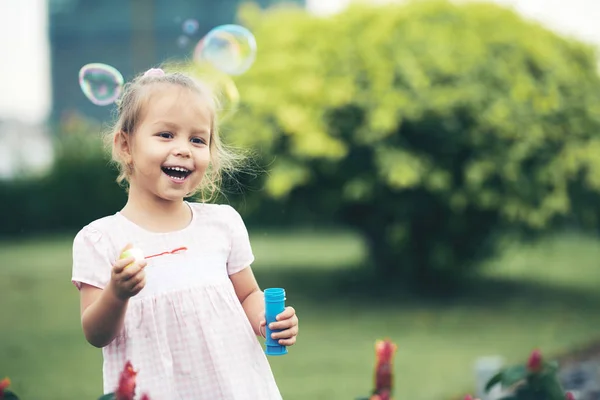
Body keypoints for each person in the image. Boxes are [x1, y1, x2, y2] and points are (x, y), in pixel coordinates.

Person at [71, 67, 298, 399]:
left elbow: (248, 294)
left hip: (235, 389)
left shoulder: (222, 224)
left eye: (197, 139)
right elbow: (96, 334)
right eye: (166, 135)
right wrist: (117, 294)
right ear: (125, 146)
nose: (183, 149)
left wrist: (267, 319)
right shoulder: (101, 239)